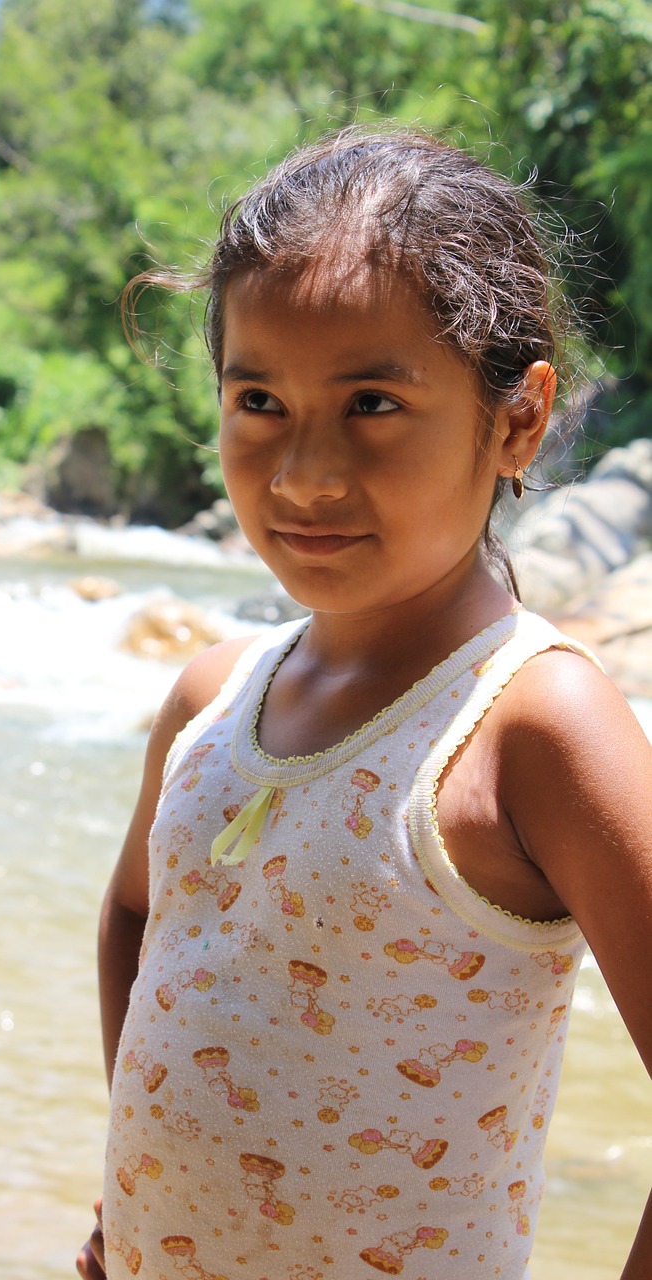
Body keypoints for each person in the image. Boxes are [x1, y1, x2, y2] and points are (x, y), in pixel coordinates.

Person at [77, 128, 652, 1279]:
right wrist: (140, 1200)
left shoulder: (527, 726)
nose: (302, 475)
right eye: (258, 398)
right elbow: (137, 915)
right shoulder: (209, 695)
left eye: (374, 402)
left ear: (517, 419)